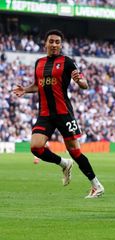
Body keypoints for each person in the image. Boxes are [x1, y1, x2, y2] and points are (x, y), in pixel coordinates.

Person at [12, 29, 104, 198]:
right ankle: (63, 163)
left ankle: (96, 185)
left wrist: (79, 81)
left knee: (75, 151)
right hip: (45, 114)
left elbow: (84, 84)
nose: (54, 45)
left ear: (61, 45)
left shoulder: (67, 62)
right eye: (51, 41)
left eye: (57, 42)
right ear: (45, 43)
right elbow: (37, 85)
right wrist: (25, 90)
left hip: (64, 113)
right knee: (35, 147)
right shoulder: (38, 63)